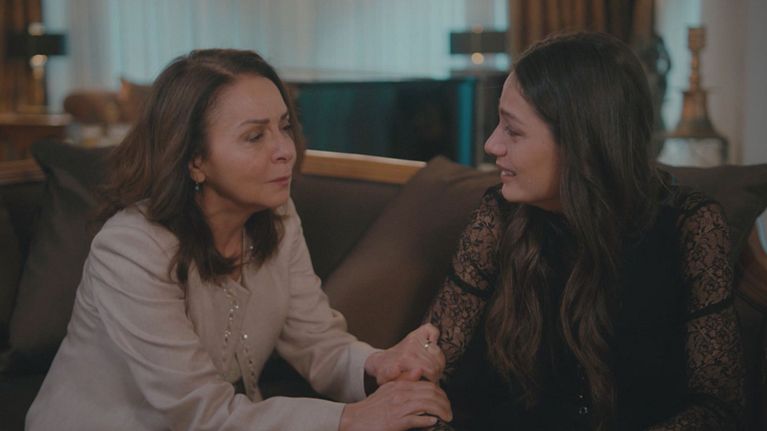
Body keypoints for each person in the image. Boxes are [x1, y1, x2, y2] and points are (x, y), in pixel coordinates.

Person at [27, 49, 451, 431]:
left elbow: (318, 343)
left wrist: (380, 363)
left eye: (284, 126)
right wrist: (351, 419)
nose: (285, 150)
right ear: (194, 159)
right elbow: (201, 413)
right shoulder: (129, 248)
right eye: (255, 136)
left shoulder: (278, 217)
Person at [425, 32, 744, 430]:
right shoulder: (498, 215)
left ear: (581, 143)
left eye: (513, 130)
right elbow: (429, 367)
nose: (492, 145)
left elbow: (717, 406)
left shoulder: (691, 225)